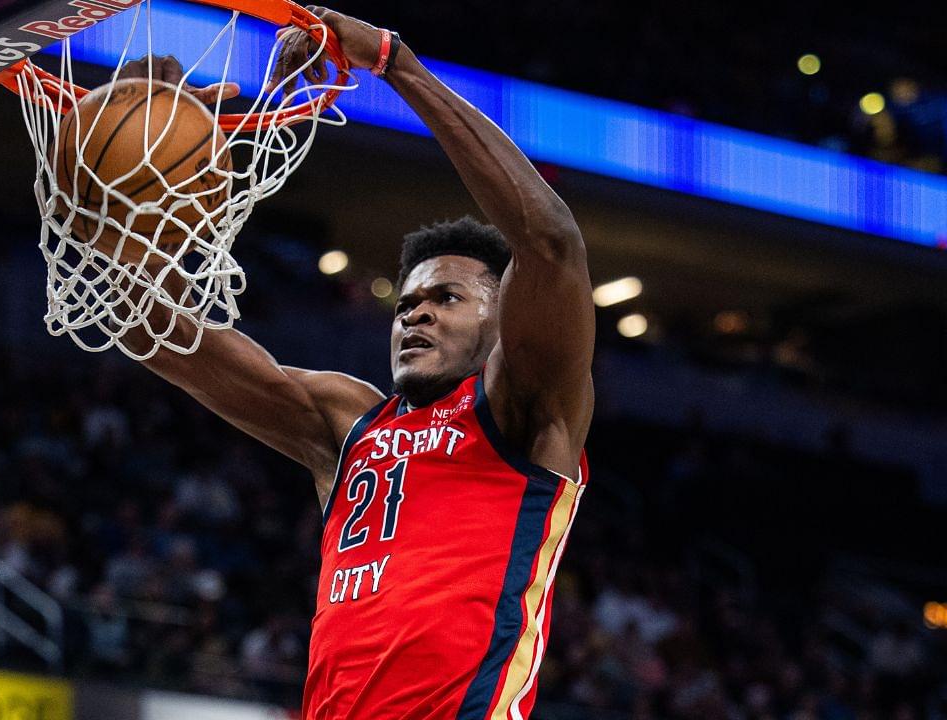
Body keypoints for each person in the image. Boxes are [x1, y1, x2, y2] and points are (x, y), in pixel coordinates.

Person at [126, 6, 595, 718]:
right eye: (406, 304)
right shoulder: (347, 422)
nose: (416, 314)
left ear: (504, 320)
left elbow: (551, 242)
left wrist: (391, 62)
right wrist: (129, 185)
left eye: (447, 298)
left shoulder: (523, 407)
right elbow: (154, 331)